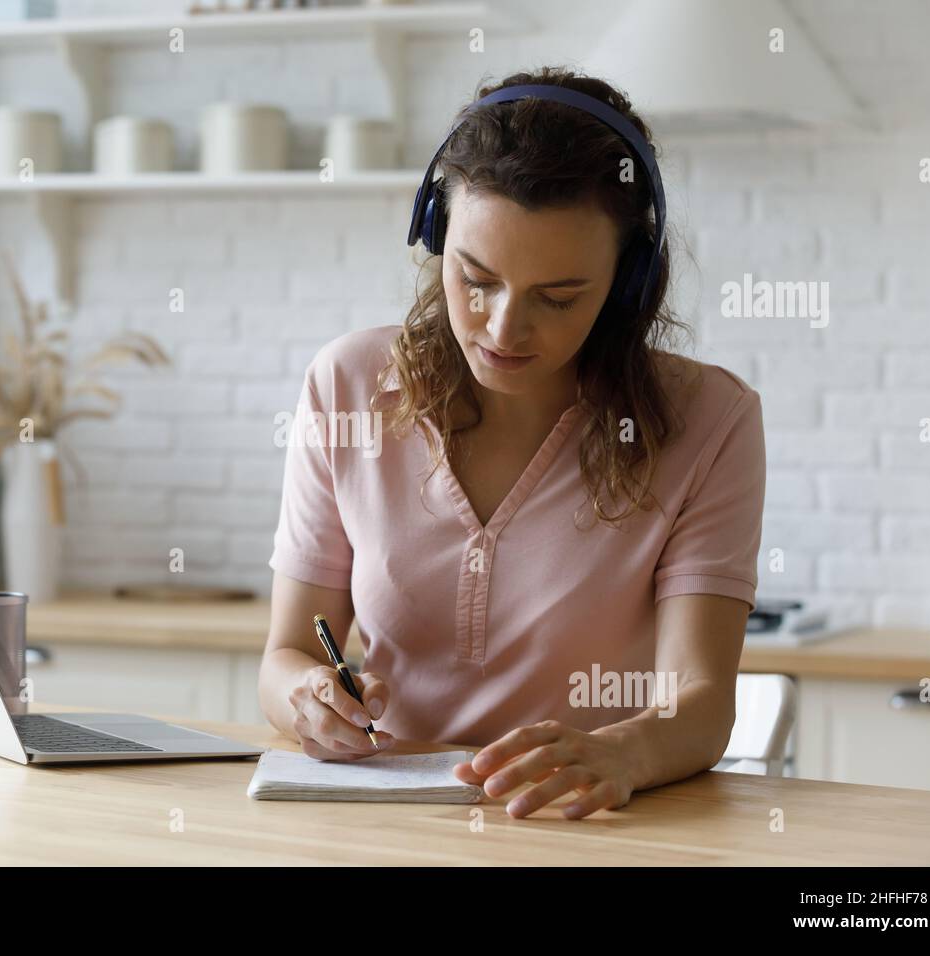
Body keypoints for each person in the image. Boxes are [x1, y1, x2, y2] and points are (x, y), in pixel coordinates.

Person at [257, 67, 766, 820]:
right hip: (387, 826)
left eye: (558, 298)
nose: (502, 330)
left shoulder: (709, 420)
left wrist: (621, 753)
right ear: (435, 237)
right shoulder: (347, 385)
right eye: (476, 279)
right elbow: (287, 655)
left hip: (584, 828)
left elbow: (700, 704)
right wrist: (307, 697)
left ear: (628, 283)